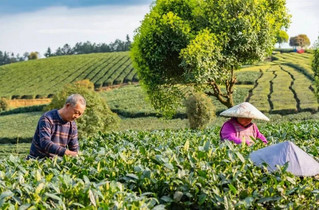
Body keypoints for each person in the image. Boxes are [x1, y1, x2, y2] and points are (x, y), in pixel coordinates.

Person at [27, 94, 86, 159]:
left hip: (55, 163)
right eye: (76, 112)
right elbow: (45, 143)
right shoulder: (47, 118)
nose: (77, 116)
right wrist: (66, 152)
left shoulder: (72, 125)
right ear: (67, 106)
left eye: (80, 114)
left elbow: (74, 149)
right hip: (37, 161)